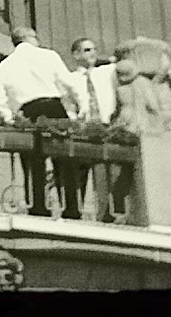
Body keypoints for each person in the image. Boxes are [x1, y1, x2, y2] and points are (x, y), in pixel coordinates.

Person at [0, 25, 80, 217]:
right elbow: (70, 83)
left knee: (33, 161)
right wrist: (80, 109)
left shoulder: (4, 65)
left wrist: (9, 117)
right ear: (30, 37)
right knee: (64, 159)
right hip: (54, 107)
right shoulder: (49, 55)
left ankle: (37, 208)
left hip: (28, 111)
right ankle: (71, 208)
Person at [66, 37, 118, 221]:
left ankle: (106, 215)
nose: (93, 53)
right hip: (83, 128)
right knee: (79, 175)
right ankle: (74, 215)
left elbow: (120, 61)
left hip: (104, 127)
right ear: (76, 54)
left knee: (102, 174)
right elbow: (68, 105)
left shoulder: (105, 72)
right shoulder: (70, 79)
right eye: (87, 50)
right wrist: (75, 121)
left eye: (94, 49)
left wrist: (103, 59)